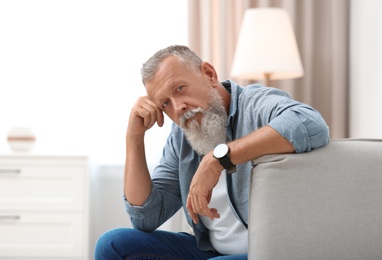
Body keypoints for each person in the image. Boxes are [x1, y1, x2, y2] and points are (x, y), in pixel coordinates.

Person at [95, 45, 330, 259]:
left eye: (179, 88)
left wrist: (217, 160)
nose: (178, 107)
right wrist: (134, 137)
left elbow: (311, 124)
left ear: (209, 74)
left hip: (268, 252)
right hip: (211, 251)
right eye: (165, 103)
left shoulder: (256, 104)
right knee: (112, 244)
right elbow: (145, 218)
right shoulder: (181, 136)